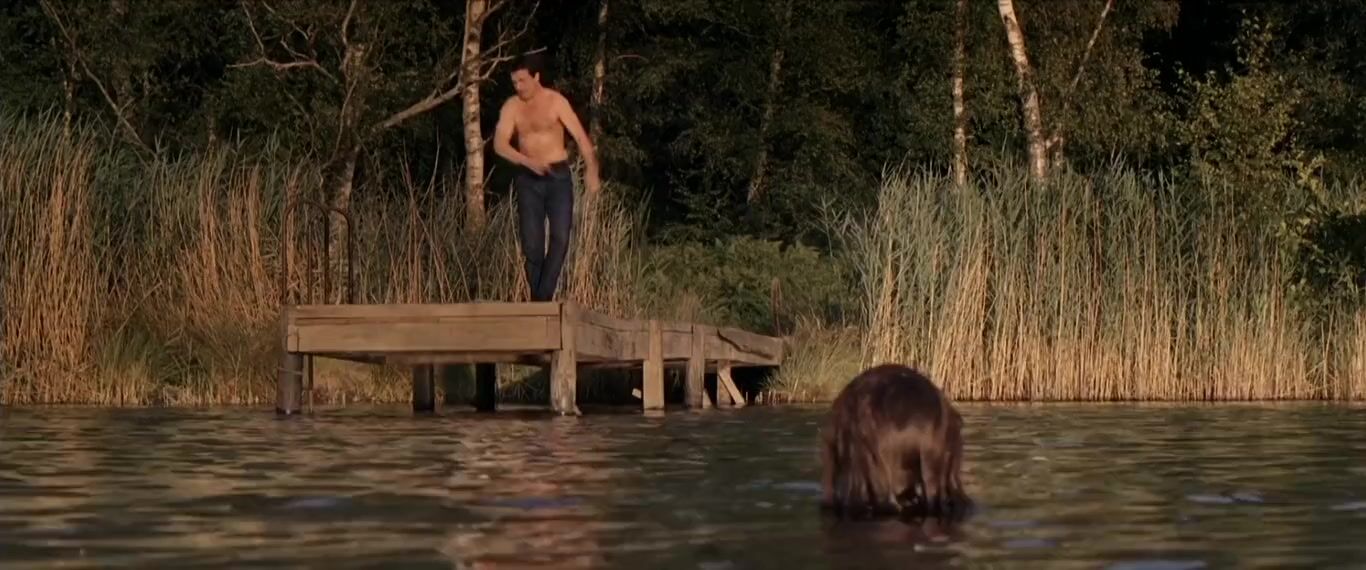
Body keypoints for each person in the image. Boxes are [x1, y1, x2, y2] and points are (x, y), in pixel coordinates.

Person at [492, 51, 602, 302]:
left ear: (536, 77)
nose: (518, 87)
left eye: (522, 81)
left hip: (557, 177)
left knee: (561, 237)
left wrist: (592, 170)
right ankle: (539, 304)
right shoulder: (512, 107)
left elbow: (581, 137)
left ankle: (540, 300)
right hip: (528, 178)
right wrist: (528, 162)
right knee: (532, 244)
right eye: (514, 82)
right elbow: (500, 144)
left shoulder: (556, 102)